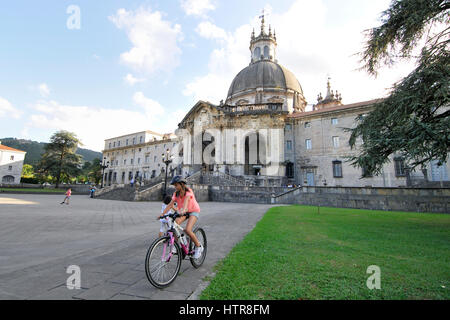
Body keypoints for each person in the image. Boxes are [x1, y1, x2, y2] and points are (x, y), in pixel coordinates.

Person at [160, 175, 203, 259]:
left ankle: (198, 246)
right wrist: (162, 214)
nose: (175, 187)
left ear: (182, 184)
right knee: (173, 225)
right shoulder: (176, 194)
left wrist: (183, 210)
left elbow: (186, 204)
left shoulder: (188, 192)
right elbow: (170, 205)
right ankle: (176, 245)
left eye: (176, 185)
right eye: (174, 185)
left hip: (193, 211)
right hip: (183, 212)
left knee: (187, 229)